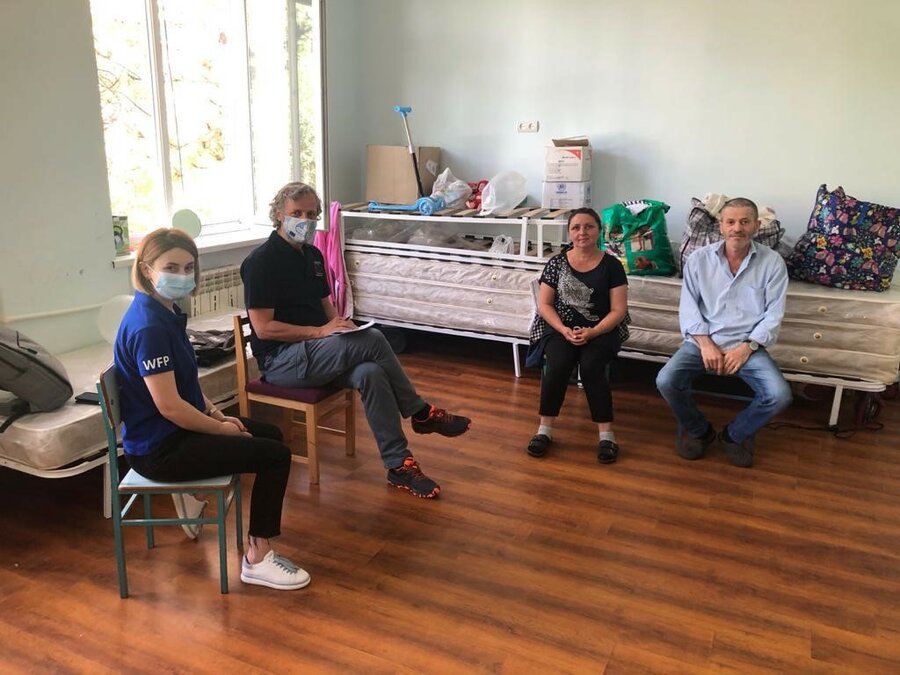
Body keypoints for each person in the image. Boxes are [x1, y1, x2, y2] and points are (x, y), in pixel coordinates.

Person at [239, 182, 471, 499]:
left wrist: (340, 326)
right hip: (283, 361)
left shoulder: (313, 255)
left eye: (311, 214)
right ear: (279, 215)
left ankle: (399, 466)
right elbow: (264, 329)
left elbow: (326, 310)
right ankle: (419, 412)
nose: (304, 220)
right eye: (296, 213)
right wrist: (321, 333)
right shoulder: (261, 262)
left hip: (318, 353)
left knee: (371, 373)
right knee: (374, 338)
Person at [114, 227, 309, 591]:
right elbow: (170, 407)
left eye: (190, 267)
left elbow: (187, 387)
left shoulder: (166, 313)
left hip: (174, 432)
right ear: (145, 270)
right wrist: (219, 430)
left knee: (271, 434)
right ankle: (257, 558)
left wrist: (220, 416)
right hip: (159, 450)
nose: (183, 276)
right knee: (275, 456)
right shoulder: (149, 327)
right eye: (172, 267)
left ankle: (202, 495)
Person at [655, 197, 793, 468]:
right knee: (666, 381)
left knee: (779, 395)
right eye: (730, 222)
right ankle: (699, 431)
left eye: (744, 222)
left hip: (747, 345)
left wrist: (747, 347)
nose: (737, 228)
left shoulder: (772, 263)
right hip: (702, 342)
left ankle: (734, 434)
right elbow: (689, 308)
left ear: (756, 226)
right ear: (721, 226)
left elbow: (774, 314)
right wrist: (705, 344)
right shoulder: (699, 260)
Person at [526, 207, 629, 463]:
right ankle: (544, 430)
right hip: (561, 329)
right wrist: (562, 329)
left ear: (598, 230)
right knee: (558, 364)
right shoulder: (557, 263)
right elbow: (545, 305)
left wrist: (593, 331)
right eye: (576, 227)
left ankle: (607, 436)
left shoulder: (612, 266)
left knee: (592, 366)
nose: (582, 232)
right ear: (569, 233)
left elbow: (618, 310)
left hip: (601, 330)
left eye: (589, 226)